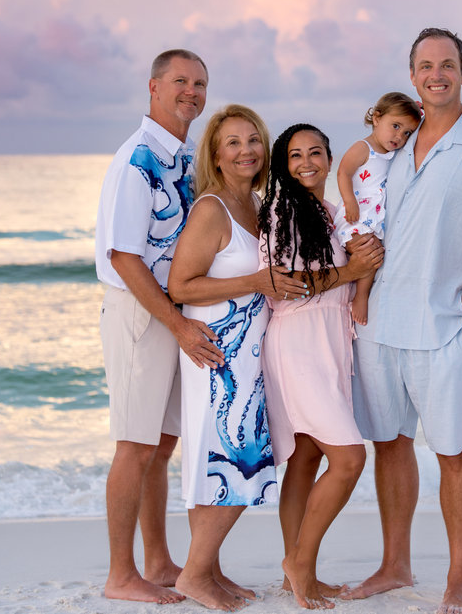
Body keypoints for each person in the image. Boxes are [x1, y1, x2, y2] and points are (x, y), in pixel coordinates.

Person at [347, 28, 462, 614]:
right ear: (412, 74)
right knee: (389, 445)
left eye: (447, 65)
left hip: (444, 326)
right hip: (379, 322)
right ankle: (395, 565)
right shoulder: (395, 141)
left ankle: (458, 579)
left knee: (453, 454)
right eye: (425, 65)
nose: (435, 74)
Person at [166, 104, 309, 610]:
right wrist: (254, 281)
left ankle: (206, 570)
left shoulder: (257, 203)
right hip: (218, 352)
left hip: (247, 350)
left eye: (253, 140)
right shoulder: (212, 208)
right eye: (233, 142)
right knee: (234, 459)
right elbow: (180, 284)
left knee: (219, 462)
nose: (245, 150)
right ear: (216, 155)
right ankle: (196, 574)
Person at [95, 49, 220, 604]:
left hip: (173, 315)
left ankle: (158, 560)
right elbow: (124, 256)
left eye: (199, 83)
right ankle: (121, 574)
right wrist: (176, 324)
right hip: (141, 315)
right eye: (179, 81)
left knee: (161, 444)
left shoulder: (184, 155)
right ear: (153, 87)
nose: (190, 91)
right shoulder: (137, 160)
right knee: (134, 445)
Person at [258, 123, 384, 609]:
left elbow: (348, 278)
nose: (307, 162)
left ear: (331, 160)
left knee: (308, 456)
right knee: (350, 458)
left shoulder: (329, 213)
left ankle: (297, 568)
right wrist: (352, 271)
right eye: (295, 155)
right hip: (300, 340)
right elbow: (283, 282)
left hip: (330, 343)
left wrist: (365, 266)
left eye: (315, 152)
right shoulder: (281, 209)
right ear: (282, 165)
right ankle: (300, 564)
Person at [334, 92, 421, 325]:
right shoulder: (364, 148)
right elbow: (344, 172)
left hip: (373, 219)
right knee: (370, 254)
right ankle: (360, 297)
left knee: (375, 254)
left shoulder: (392, 154)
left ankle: (357, 293)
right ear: (376, 118)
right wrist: (349, 199)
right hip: (355, 215)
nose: (399, 136)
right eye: (395, 126)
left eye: (406, 133)